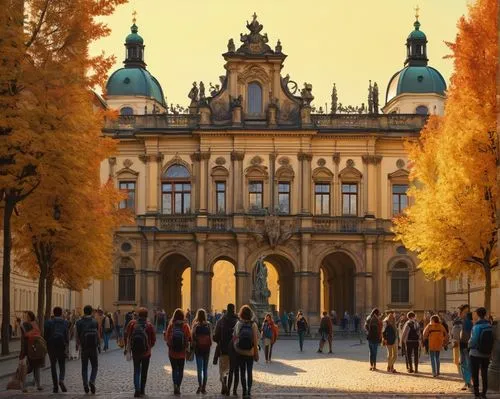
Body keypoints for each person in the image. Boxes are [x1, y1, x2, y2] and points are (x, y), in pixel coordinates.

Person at [125, 307, 156, 398]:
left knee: (136, 370)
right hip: (146, 353)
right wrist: (148, 347)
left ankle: (137, 390)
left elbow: (128, 335)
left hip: (135, 352)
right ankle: (142, 390)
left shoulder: (132, 324)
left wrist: (128, 348)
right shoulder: (149, 325)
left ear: (138, 315)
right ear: (146, 315)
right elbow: (153, 340)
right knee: (144, 371)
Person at [233, 305, 259, 398]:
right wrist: (256, 353)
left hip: (240, 352)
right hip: (250, 352)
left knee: (242, 371)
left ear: (241, 314)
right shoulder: (253, 325)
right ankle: (249, 390)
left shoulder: (238, 323)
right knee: (249, 371)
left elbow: (235, 337)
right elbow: (256, 341)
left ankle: (244, 390)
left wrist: (236, 347)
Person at [214, 303, 239, 396]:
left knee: (224, 370)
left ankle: (224, 386)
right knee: (234, 370)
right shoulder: (238, 321)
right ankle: (233, 390)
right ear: (234, 309)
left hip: (223, 349)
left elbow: (216, 337)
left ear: (227, 309)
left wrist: (217, 339)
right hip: (235, 350)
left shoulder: (221, 321)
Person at [165, 308, 191, 396]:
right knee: (180, 370)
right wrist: (186, 346)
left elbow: (167, 337)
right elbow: (188, 338)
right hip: (182, 353)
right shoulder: (185, 326)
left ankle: (175, 385)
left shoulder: (171, 325)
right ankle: (178, 386)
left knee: (174, 369)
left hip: (172, 352)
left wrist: (170, 345)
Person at [468, 307, 493, 398]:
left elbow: (473, 340)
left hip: (475, 353)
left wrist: (469, 345)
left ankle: (476, 393)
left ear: (478, 315)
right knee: (484, 373)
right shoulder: (489, 326)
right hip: (486, 353)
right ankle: (484, 393)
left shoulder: (476, 326)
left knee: (475, 373)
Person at [44, 306, 69, 393]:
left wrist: (46, 346)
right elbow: (66, 335)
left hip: (51, 346)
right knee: (62, 365)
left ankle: (55, 387)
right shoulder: (65, 322)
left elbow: (45, 335)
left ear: (53, 313)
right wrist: (67, 345)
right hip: (61, 345)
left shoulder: (48, 322)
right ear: (61, 313)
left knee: (53, 366)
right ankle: (61, 379)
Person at [76, 304, 100, 394]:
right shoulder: (94, 321)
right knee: (95, 366)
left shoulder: (79, 322)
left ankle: (85, 384)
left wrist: (77, 345)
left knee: (84, 367)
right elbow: (97, 334)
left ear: (84, 312)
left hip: (84, 347)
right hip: (93, 347)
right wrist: (99, 345)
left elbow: (77, 335)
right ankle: (92, 380)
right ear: (91, 312)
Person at [19, 311, 45, 392]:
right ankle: (37, 385)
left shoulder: (25, 325)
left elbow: (24, 338)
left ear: (30, 317)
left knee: (30, 367)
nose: (25, 317)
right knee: (33, 367)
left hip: (31, 348)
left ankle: (26, 386)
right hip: (35, 348)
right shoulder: (35, 324)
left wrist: (23, 351)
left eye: (26, 316)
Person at [191, 308, 212, 394]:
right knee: (205, 369)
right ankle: (204, 387)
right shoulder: (208, 325)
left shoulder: (195, 325)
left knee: (199, 369)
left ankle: (199, 386)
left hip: (198, 349)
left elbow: (192, 337)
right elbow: (210, 337)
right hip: (206, 349)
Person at [457, 304, 473, 391]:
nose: (464, 314)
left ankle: (468, 382)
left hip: (466, 346)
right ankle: (467, 382)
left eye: (466, 312)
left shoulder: (467, 322)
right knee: (463, 364)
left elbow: (467, 335)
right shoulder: (461, 321)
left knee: (466, 364)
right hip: (462, 346)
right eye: (464, 312)